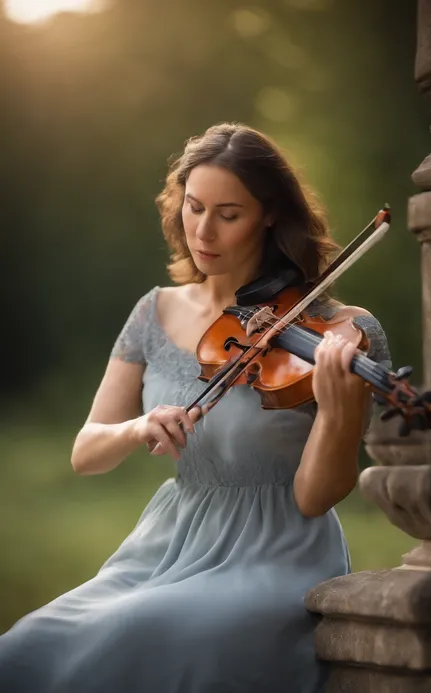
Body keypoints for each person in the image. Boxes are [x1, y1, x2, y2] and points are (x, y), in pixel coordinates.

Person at [0, 122, 391, 692]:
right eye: (193, 207)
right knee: (26, 646)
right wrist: (139, 426)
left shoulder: (341, 333)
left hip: (277, 553)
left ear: (270, 214)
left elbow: (314, 498)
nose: (203, 231)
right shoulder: (152, 312)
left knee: (143, 627)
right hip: (166, 544)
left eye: (228, 214)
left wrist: (337, 411)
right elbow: (87, 453)